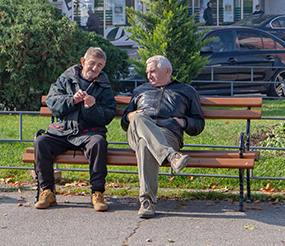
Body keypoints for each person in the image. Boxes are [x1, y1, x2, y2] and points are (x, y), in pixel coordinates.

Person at [121, 55, 205, 219]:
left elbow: (198, 124)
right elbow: (125, 121)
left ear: (167, 71)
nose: (148, 76)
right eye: (147, 72)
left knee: (145, 145)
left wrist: (184, 122)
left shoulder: (186, 91)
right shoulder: (140, 91)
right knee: (139, 118)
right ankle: (171, 156)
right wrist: (130, 116)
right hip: (136, 131)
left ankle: (147, 203)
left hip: (168, 133)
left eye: (152, 71)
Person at [33, 47, 116, 211]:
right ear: (83, 62)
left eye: (99, 65)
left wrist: (92, 108)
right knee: (41, 142)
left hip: (89, 133)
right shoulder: (65, 79)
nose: (95, 68)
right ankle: (48, 191)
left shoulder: (104, 86)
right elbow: (53, 103)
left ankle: (97, 193)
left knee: (98, 142)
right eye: (92, 63)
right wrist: (72, 100)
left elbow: (107, 116)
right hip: (62, 131)